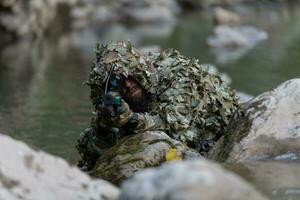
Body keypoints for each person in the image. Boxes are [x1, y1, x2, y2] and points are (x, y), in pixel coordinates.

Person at [76, 41, 240, 170]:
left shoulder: (176, 74)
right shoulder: (114, 101)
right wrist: (104, 125)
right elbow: (91, 155)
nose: (127, 85)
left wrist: (131, 119)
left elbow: (176, 129)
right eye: (118, 82)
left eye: (130, 76)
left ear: (140, 71)